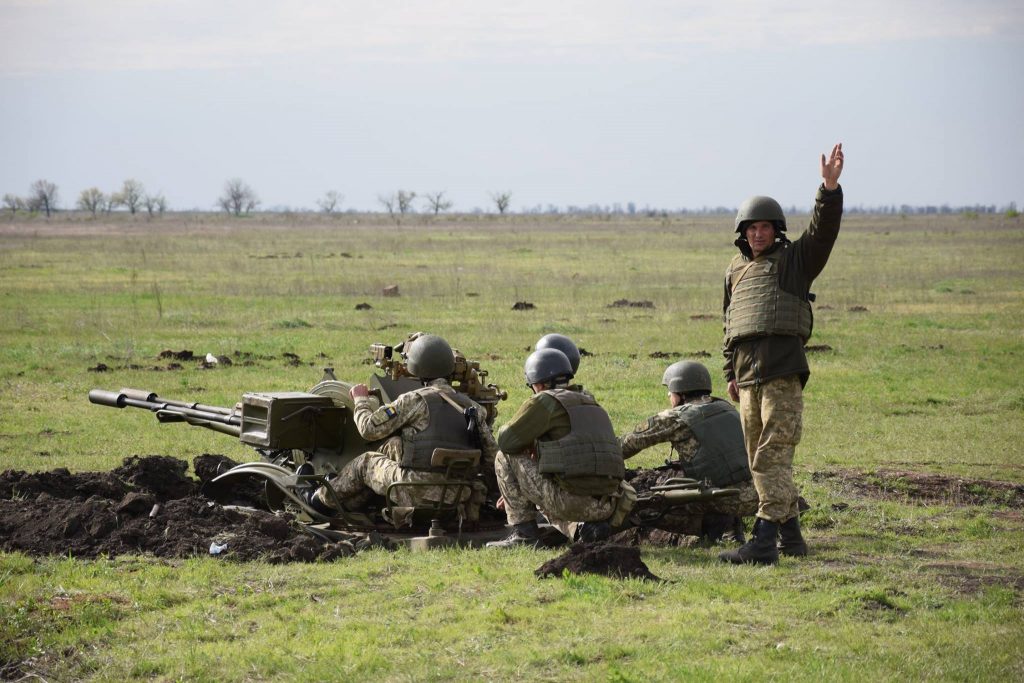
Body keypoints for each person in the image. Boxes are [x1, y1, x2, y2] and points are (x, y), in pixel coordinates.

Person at [719, 143, 844, 565]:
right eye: (751, 228)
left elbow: (822, 234)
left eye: (766, 227)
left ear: (777, 231)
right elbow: (730, 325)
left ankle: (763, 542)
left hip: (782, 374)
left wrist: (827, 190)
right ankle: (791, 537)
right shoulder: (734, 271)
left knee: (772, 455)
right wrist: (729, 375)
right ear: (742, 232)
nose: (758, 234)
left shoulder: (795, 262)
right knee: (759, 457)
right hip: (747, 378)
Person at [308, 334, 498, 524]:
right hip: (458, 495)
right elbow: (492, 458)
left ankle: (318, 500)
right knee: (394, 445)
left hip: (414, 491)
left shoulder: (414, 401)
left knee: (366, 463)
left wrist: (360, 401)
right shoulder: (473, 408)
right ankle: (350, 502)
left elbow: (368, 429)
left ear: (416, 368)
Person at [486, 348, 634, 548]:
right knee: (554, 481)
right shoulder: (591, 402)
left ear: (538, 384)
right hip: (608, 505)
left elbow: (506, 441)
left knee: (504, 456)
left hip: (571, 503)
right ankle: (583, 530)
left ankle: (525, 535)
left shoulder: (545, 401)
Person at [618, 360, 758, 542]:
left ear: (680, 393)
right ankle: (729, 525)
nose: (669, 396)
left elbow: (625, 446)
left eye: (670, 391)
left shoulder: (675, 418)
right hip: (758, 496)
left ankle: (709, 525)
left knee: (643, 507)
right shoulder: (727, 408)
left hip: (723, 499)